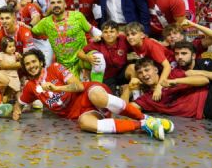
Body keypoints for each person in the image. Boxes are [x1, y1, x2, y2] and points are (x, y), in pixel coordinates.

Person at [13, 49, 171, 141]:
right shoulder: (30, 87)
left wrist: (56, 88)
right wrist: (16, 110)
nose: (31, 66)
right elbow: (20, 102)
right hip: (77, 112)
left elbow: (79, 86)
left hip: (87, 93)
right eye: (27, 64)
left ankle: (144, 118)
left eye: (33, 61)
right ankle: (145, 125)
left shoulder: (54, 68)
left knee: (98, 97)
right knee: (86, 125)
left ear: (40, 62)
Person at [32, 0, 101, 77]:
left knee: (99, 59)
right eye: (53, 3)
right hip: (64, 66)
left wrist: (100, 36)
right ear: (49, 6)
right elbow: (32, 32)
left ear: (65, 5)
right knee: (74, 88)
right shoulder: (45, 23)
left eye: (59, 2)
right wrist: (24, 25)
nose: (56, 5)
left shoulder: (77, 16)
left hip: (82, 59)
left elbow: (92, 30)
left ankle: (98, 84)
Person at [125, 21, 172, 101]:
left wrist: (159, 87)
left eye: (133, 34)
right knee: (132, 68)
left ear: (142, 35)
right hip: (155, 69)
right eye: (128, 35)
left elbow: (167, 67)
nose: (130, 37)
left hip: (170, 68)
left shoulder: (151, 46)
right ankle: (137, 97)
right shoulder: (135, 43)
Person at [78, 20, 132, 88]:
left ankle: (136, 94)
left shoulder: (123, 39)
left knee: (132, 68)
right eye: (105, 32)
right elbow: (79, 53)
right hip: (107, 77)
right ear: (102, 34)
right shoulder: (98, 43)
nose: (109, 34)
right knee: (111, 96)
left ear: (117, 33)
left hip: (122, 73)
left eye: (112, 32)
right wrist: (87, 58)